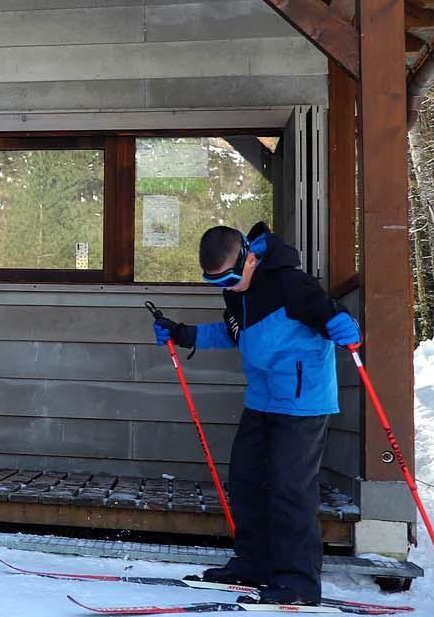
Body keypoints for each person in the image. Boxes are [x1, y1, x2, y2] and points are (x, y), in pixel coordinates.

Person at [147, 221, 361, 608]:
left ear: (249, 258)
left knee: (290, 488)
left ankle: (298, 582)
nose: (226, 288)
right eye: (215, 283)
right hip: (262, 399)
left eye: (229, 279)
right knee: (246, 480)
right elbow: (236, 334)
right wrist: (183, 333)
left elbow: (329, 315)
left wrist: (342, 324)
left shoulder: (290, 283)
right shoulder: (238, 294)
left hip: (302, 400)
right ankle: (254, 564)